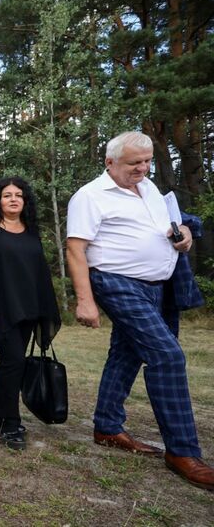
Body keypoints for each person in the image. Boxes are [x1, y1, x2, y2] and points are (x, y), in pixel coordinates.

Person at [67, 131, 214, 491]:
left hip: (158, 286)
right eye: (135, 163)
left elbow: (170, 226)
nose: (144, 169)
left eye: (147, 161)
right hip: (116, 282)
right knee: (167, 356)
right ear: (110, 162)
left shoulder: (150, 190)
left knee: (126, 355)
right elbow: (75, 248)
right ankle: (182, 451)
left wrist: (184, 235)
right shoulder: (89, 196)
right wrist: (85, 300)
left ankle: (107, 426)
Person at [0, 176, 61, 450]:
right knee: (14, 360)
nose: (14, 199)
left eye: (19, 194)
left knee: (10, 363)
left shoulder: (31, 231)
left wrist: (44, 308)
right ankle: (10, 421)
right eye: (7, 195)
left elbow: (38, 272)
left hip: (28, 307)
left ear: (25, 200)